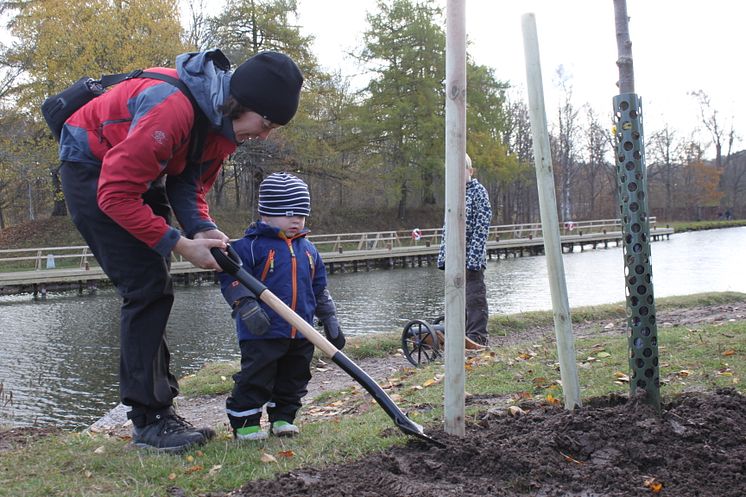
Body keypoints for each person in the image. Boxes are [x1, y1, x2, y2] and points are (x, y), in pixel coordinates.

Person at [58, 49, 304, 453]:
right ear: (245, 104)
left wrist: (204, 230)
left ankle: (160, 411)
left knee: (156, 284)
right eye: (267, 123)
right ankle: (149, 420)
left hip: (136, 173)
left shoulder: (223, 128)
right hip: (91, 169)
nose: (264, 135)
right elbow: (116, 195)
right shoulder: (171, 109)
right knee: (145, 286)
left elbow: (187, 185)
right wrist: (181, 244)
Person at [218, 172, 345, 441]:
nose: (296, 220)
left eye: (301, 214)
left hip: (302, 331)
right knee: (257, 376)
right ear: (266, 213)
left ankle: (283, 418)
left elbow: (319, 287)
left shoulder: (309, 249)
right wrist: (246, 305)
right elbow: (230, 277)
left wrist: (330, 318)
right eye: (289, 214)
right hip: (262, 331)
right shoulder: (248, 247)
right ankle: (246, 423)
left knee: (295, 377)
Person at [437, 153, 493, 345]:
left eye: (463, 171)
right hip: (454, 256)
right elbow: (447, 226)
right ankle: (456, 330)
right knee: (455, 294)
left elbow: (482, 224)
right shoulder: (453, 195)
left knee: (474, 296)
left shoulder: (478, 192)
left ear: (470, 171)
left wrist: (474, 257)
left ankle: (477, 335)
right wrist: (444, 255)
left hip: (472, 256)